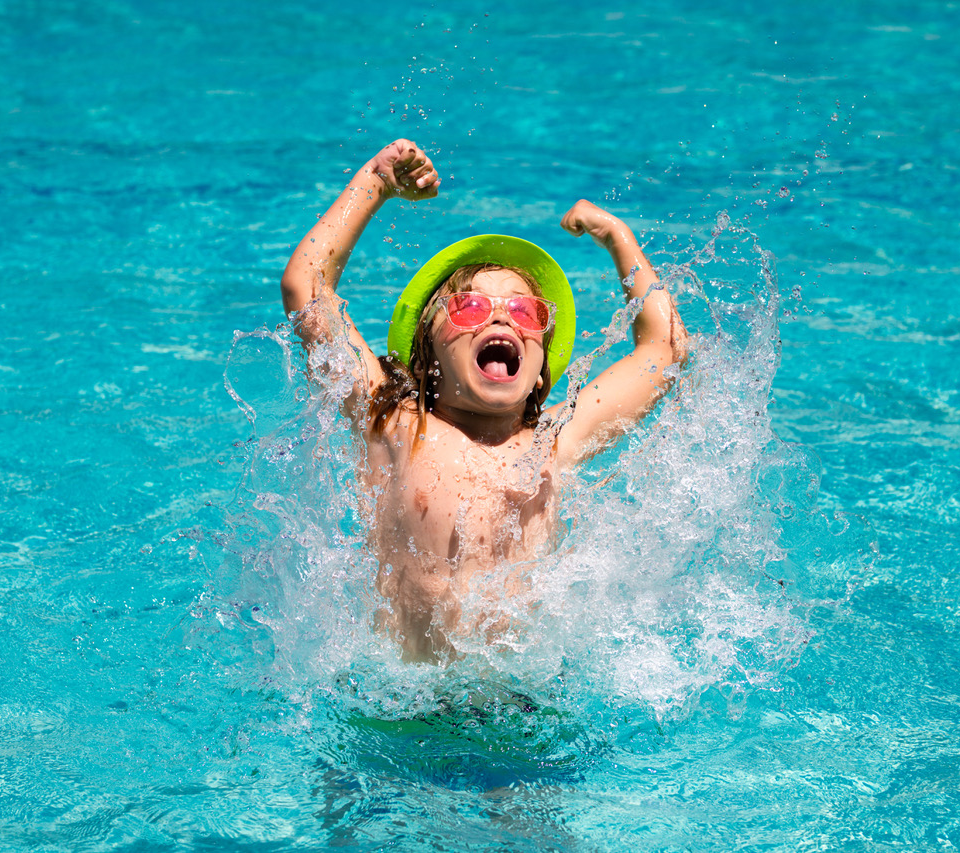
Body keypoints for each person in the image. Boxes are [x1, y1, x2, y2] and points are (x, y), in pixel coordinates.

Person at [281, 139, 687, 662]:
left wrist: (619, 239)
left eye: (525, 312)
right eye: (469, 307)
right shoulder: (393, 420)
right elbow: (306, 286)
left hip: (523, 699)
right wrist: (376, 183)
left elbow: (664, 351)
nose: (500, 317)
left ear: (541, 360)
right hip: (404, 699)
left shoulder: (553, 441)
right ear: (428, 349)